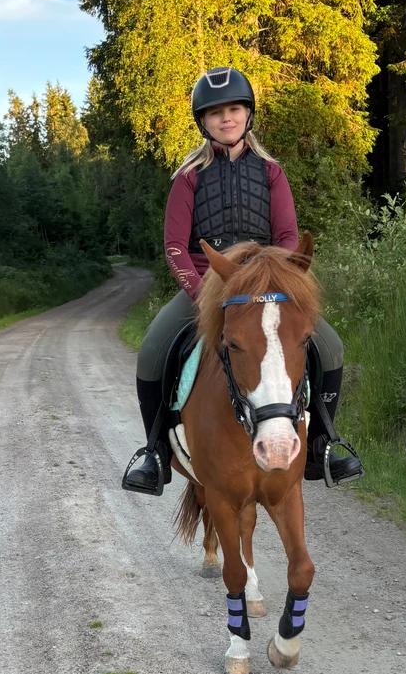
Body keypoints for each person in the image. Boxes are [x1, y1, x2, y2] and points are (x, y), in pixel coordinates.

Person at [121, 67, 364, 495]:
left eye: (234, 109)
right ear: (203, 121)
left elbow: (287, 237)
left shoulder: (271, 172)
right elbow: (175, 246)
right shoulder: (188, 176)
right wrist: (203, 294)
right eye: (215, 113)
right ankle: (155, 453)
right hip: (206, 286)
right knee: (152, 351)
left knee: (330, 347)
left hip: (264, 288)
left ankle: (322, 443)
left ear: (248, 114)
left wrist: (281, 283)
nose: (226, 119)